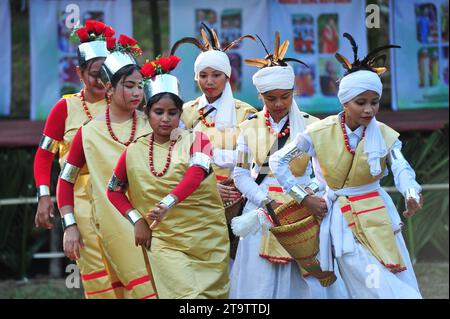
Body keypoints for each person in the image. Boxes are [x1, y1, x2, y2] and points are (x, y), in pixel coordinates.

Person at [269, 33, 423, 298]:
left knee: (392, 275)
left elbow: (401, 167)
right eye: (360, 103)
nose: (369, 110)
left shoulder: (384, 134)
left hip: (378, 215)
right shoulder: (318, 132)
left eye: (374, 102)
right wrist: (303, 198)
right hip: (340, 217)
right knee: (364, 281)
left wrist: (410, 192)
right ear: (344, 102)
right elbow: (277, 160)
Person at [230, 32, 348, 299]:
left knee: (305, 278)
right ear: (260, 96)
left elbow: (325, 173)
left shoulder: (312, 125)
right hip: (262, 207)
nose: (279, 104)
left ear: (293, 92)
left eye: (285, 96)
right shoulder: (248, 128)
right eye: (271, 98)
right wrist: (264, 201)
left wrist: (306, 196)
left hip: (302, 208)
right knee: (258, 281)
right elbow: (240, 173)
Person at [107, 62, 230, 298]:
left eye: (172, 113)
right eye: (158, 112)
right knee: (186, 297)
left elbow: (196, 173)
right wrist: (137, 221)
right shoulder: (133, 150)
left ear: (180, 114)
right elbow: (114, 190)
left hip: (207, 239)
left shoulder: (198, 139)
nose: (165, 119)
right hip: (164, 240)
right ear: (146, 112)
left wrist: (168, 203)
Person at [56, 35, 156, 299]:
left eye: (139, 86)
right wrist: (69, 225)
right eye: (129, 86)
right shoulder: (88, 133)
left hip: (157, 226)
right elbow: (65, 181)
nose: (136, 93)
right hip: (113, 229)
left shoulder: (152, 124)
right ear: (109, 88)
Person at [33, 20, 118, 298]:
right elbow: (45, 154)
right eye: (93, 73)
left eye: (106, 72)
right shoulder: (65, 107)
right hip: (79, 200)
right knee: (96, 275)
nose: (100, 79)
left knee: (129, 269)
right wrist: (44, 196)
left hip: (119, 195)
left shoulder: (122, 104)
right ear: (79, 72)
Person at [171, 23, 257, 260]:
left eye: (216, 75)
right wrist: (207, 185)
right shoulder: (185, 112)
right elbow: (176, 157)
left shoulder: (246, 113)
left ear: (227, 76)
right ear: (195, 77)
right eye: (203, 75)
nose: (209, 81)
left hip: (237, 196)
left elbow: (255, 159)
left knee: (234, 261)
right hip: (195, 196)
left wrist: (232, 180)